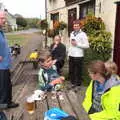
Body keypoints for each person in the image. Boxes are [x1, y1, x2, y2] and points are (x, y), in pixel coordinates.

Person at [0, 11, 19, 109]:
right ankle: (3, 106)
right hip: (1, 66)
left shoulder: (1, 32)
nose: (4, 20)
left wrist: (10, 51)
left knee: (8, 85)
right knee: (3, 87)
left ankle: (8, 102)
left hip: (6, 64)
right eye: (1, 18)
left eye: (4, 18)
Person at [68, 19, 89, 87]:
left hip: (79, 55)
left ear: (80, 26)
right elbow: (71, 44)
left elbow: (87, 46)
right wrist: (68, 53)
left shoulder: (83, 34)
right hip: (71, 55)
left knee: (78, 71)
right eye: (74, 26)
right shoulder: (71, 33)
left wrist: (77, 44)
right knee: (71, 69)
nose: (75, 27)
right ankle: (72, 82)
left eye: (77, 26)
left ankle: (78, 83)